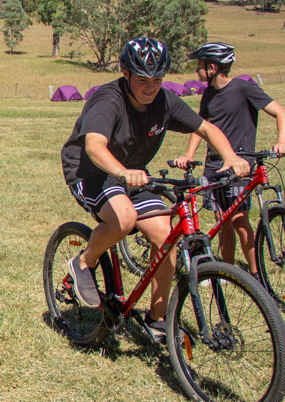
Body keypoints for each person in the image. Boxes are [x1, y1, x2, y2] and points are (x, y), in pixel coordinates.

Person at [61, 37, 250, 342]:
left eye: (157, 80)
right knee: (123, 219)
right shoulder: (108, 100)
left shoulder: (164, 101)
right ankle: (84, 261)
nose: (151, 87)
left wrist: (230, 157)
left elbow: (205, 128)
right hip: (91, 171)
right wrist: (122, 172)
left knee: (166, 237)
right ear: (126, 74)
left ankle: (157, 319)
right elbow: (94, 146)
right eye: (143, 80)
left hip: (134, 173)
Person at [174, 42, 285, 279]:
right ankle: (228, 271)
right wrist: (189, 155)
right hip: (214, 165)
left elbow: (281, 113)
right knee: (222, 220)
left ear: (212, 67)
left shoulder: (244, 88)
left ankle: (255, 274)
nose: (196, 70)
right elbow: (201, 127)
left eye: (200, 65)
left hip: (240, 165)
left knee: (239, 220)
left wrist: (282, 141)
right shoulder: (208, 93)